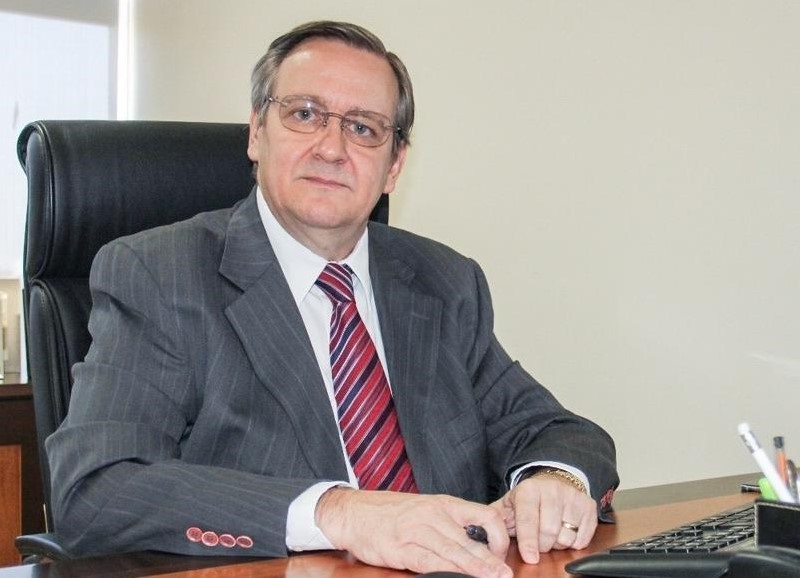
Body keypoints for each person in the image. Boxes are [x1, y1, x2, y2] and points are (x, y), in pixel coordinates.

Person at [47, 20, 618, 578]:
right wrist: (341, 512)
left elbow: (559, 433)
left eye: (364, 128)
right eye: (304, 114)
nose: (332, 148)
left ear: (394, 166)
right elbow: (97, 488)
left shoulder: (443, 282)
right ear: (256, 132)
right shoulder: (159, 275)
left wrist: (555, 479)